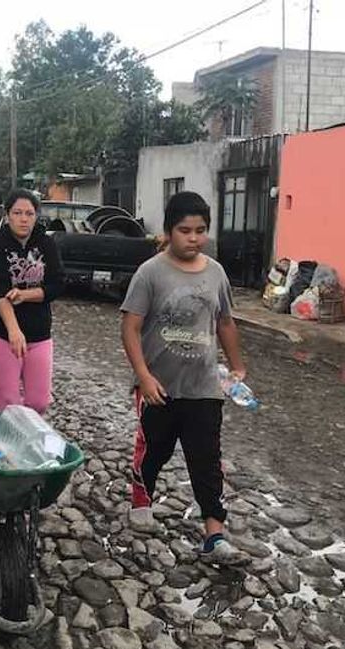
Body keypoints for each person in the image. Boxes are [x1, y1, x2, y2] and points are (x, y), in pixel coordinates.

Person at [120, 191, 249, 563]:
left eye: (201, 230)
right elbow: (130, 327)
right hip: (159, 386)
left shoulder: (216, 273)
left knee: (206, 459)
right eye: (185, 230)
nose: (193, 238)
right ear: (168, 231)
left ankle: (215, 534)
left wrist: (237, 365)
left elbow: (224, 322)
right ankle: (142, 498)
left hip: (204, 385)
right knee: (154, 451)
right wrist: (143, 376)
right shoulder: (151, 273)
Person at [0, 189, 64, 413]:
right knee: (9, 402)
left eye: (29, 213)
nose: (24, 219)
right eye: (17, 213)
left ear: (36, 216)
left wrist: (26, 295)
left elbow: (56, 285)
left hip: (39, 332)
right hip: (0, 333)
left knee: (39, 402)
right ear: (8, 215)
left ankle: (28, 443)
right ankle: (7, 446)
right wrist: (14, 331)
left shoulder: (46, 244)